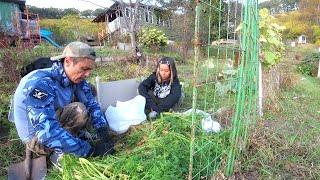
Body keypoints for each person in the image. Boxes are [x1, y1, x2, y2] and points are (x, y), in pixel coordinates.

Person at [12, 42, 114, 161]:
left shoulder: (74, 77)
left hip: (52, 119)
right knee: (79, 110)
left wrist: (103, 131)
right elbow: (46, 132)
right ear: (68, 61)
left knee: (90, 90)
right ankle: (57, 154)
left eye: (90, 70)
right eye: (84, 69)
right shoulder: (41, 83)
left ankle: (71, 141)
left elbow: (91, 103)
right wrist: (90, 151)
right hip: (37, 137)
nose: (87, 74)